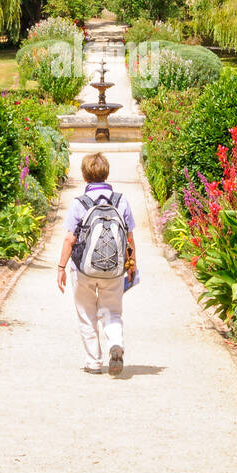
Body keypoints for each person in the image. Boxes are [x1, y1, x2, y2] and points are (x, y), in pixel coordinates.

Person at [57, 152, 136, 376]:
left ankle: (93, 362)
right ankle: (115, 343)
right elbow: (129, 238)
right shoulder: (121, 201)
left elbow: (69, 239)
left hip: (83, 269)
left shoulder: (79, 203)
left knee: (86, 312)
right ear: (106, 173)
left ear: (84, 176)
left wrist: (61, 267)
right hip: (114, 269)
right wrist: (132, 266)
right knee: (112, 310)